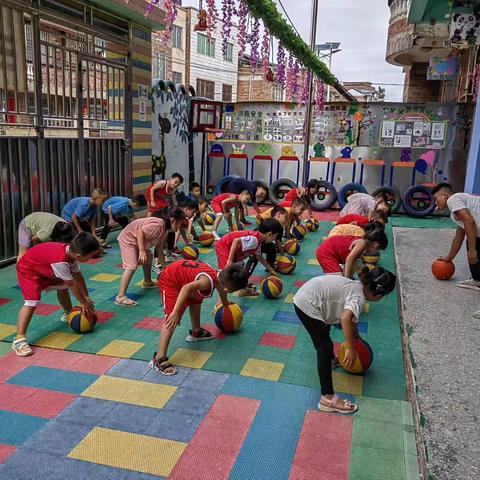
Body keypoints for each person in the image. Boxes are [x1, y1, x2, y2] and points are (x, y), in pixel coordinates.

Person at [293, 266, 396, 413]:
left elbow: (352, 319)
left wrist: (356, 338)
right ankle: (327, 398)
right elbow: (346, 319)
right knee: (324, 346)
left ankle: (331, 360)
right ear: (379, 295)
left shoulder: (356, 286)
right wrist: (350, 348)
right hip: (307, 303)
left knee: (324, 335)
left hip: (310, 296)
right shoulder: (358, 297)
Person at [149, 261, 249, 375]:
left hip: (181, 279)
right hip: (170, 281)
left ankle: (196, 332)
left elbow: (221, 289)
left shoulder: (219, 276)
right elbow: (186, 288)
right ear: (229, 289)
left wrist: (225, 304)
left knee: (196, 298)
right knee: (172, 319)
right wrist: (176, 312)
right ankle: (159, 358)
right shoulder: (207, 281)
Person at [13, 232, 100, 357]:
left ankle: (68, 313)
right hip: (28, 270)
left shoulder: (71, 253)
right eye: (91, 256)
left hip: (43, 267)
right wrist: (83, 303)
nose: (92, 258)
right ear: (80, 256)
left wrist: (86, 297)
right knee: (32, 301)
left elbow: (78, 276)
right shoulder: (60, 261)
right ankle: (19, 340)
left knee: (63, 285)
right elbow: (72, 285)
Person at [115, 208, 186, 307]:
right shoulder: (159, 225)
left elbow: (159, 249)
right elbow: (140, 232)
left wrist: (165, 268)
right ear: (173, 220)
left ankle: (147, 282)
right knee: (131, 266)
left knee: (149, 256)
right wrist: (142, 250)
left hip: (134, 239)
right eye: (180, 224)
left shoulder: (164, 230)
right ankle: (120, 297)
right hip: (128, 239)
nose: (180, 227)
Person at [215, 218, 283, 297]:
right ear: (270, 234)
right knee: (226, 277)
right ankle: (221, 303)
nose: (275, 239)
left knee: (239, 273)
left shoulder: (259, 240)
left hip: (231, 250)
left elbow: (259, 257)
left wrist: (272, 270)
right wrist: (229, 260)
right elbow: (236, 241)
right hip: (224, 246)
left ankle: (244, 290)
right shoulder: (255, 240)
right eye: (275, 236)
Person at [433, 183, 480, 292]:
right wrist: (449, 258)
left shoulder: (453, 199)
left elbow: (470, 221)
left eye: (436, 198)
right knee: (473, 237)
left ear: (444, 195)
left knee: (472, 241)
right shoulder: (458, 210)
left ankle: (477, 279)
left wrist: (472, 250)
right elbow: (459, 237)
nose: (436, 202)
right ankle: (477, 279)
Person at [316, 225, 388, 278]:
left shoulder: (363, 245)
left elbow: (355, 264)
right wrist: (347, 280)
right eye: (378, 249)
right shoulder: (362, 244)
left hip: (333, 253)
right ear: (376, 245)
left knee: (357, 263)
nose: (376, 252)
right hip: (326, 253)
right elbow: (349, 260)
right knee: (339, 281)